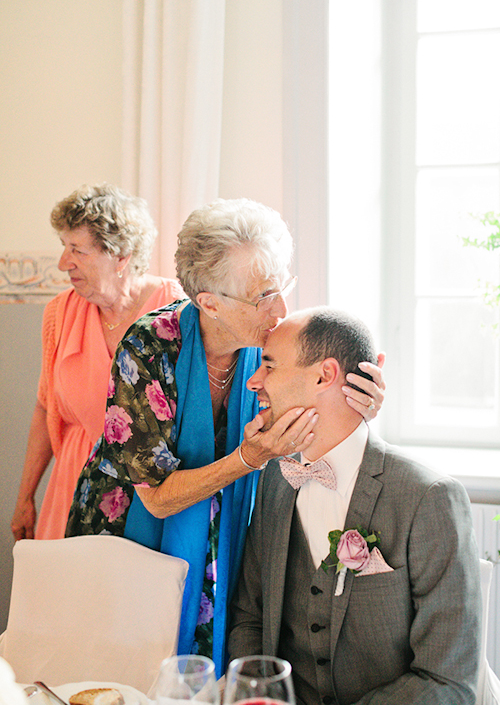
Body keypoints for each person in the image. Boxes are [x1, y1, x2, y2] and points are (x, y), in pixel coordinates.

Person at [65, 199, 386, 677]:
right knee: (128, 673)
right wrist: (247, 458)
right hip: (129, 531)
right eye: (262, 297)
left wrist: (363, 408)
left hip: (224, 531)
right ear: (209, 301)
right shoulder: (148, 346)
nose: (280, 310)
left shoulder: (277, 344)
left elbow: (322, 419)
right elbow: (157, 499)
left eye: (282, 288)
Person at [228, 306, 482, 705]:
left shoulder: (428, 497)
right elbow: (249, 617)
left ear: (323, 375)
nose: (253, 381)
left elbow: (447, 680)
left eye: (270, 366)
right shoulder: (276, 478)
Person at [11, 184, 185, 542]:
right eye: (64, 247)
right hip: (72, 486)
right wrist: (25, 496)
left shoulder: (177, 312)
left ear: (120, 255)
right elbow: (46, 406)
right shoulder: (60, 313)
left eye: (78, 250)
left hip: (149, 495)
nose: (63, 263)